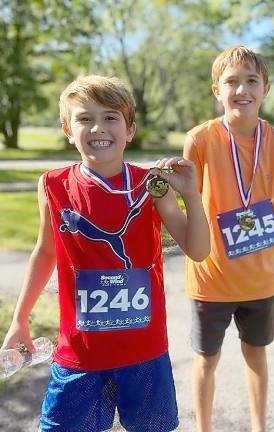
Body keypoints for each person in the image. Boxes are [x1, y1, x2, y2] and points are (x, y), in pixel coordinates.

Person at [0, 75, 210, 432]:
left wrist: (191, 196)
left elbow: (198, 250)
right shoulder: (53, 185)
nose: (99, 127)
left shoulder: (152, 185)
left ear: (130, 129)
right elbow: (45, 251)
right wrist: (20, 318)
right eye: (84, 118)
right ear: (67, 129)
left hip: (143, 351)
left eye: (111, 117)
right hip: (81, 352)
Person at [183, 45, 274, 432]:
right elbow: (192, 204)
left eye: (251, 81)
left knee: (256, 357)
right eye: (232, 81)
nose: (241, 90)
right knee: (205, 361)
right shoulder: (199, 139)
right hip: (209, 279)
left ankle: (260, 426)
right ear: (217, 90)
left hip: (259, 279)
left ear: (266, 88)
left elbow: (271, 203)